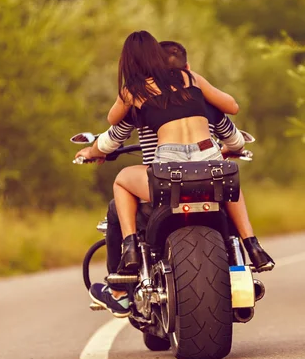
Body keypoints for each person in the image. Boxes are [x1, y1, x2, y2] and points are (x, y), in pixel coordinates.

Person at [76, 35, 273, 317]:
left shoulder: (134, 90)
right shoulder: (188, 78)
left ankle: (130, 248)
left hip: (170, 163)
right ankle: (252, 246)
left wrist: (126, 99)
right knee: (227, 182)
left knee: (121, 180)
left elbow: (111, 122)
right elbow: (232, 107)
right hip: (209, 155)